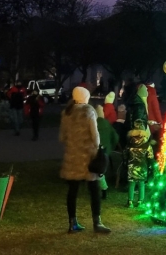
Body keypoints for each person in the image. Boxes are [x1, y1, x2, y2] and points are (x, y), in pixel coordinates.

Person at [59, 86, 110, 234]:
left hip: (72, 157)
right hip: (88, 157)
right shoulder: (89, 111)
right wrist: (98, 147)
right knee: (94, 190)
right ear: (85, 97)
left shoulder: (66, 112)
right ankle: (97, 222)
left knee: (72, 190)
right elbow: (95, 136)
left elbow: (62, 137)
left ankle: (72, 223)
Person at [125, 118, 153, 208]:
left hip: (131, 165)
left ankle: (130, 202)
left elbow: (125, 154)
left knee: (131, 184)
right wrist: (151, 166)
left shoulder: (130, 143)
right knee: (141, 184)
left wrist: (126, 162)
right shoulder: (147, 145)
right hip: (142, 166)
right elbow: (150, 157)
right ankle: (140, 201)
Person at [94, 105, 120, 199]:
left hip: (95, 150)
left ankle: (98, 188)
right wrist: (112, 145)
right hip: (106, 150)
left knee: (95, 170)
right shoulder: (107, 124)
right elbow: (115, 137)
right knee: (102, 170)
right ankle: (104, 188)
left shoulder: (93, 124)